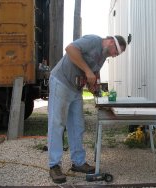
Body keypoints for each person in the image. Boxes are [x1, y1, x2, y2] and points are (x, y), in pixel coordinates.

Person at [48, 34, 127, 183]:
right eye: (116, 51)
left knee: (78, 126)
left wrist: (93, 84)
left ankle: (78, 162)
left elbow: (94, 71)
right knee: (57, 124)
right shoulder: (93, 41)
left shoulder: (103, 56)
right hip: (61, 82)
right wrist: (88, 71)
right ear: (110, 42)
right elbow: (70, 49)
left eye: (118, 54)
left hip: (75, 89)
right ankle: (54, 165)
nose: (115, 55)